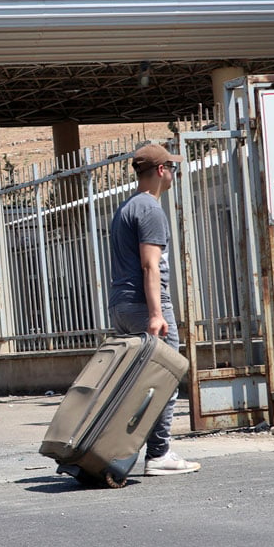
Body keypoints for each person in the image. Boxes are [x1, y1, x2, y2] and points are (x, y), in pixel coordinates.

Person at [108, 144, 201, 477]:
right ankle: (159, 454)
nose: (175, 173)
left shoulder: (125, 208)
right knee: (165, 378)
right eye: (172, 168)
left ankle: (117, 450)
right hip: (146, 304)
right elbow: (150, 266)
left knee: (134, 384)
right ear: (161, 171)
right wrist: (157, 314)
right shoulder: (150, 210)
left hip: (121, 305)